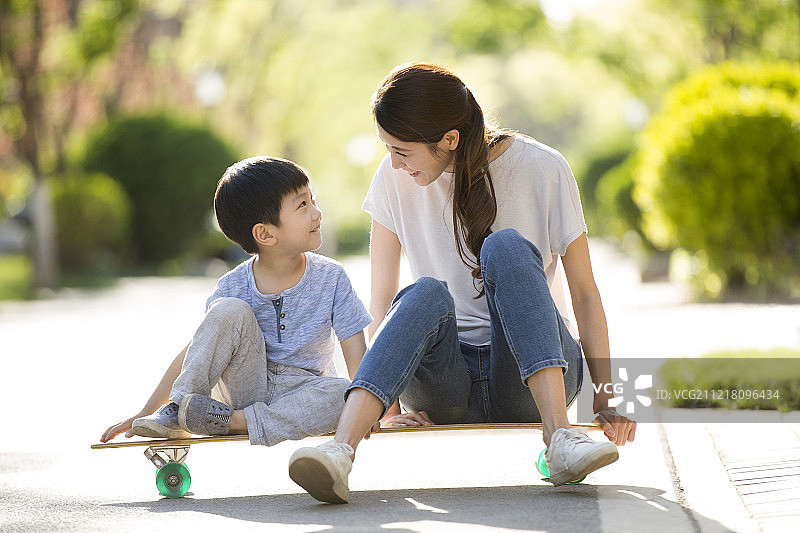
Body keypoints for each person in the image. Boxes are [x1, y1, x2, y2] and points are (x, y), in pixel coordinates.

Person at [287, 63, 637, 503]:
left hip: (530, 382)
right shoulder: (393, 179)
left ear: (449, 139)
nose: (394, 163)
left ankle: (560, 438)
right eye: (388, 148)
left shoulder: (544, 168)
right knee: (424, 292)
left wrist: (605, 401)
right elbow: (382, 301)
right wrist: (388, 407)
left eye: (403, 151)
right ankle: (340, 452)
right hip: (442, 385)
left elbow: (585, 295)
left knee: (506, 247)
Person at [100, 156, 373, 447]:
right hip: (245, 385)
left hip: (304, 392)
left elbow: (355, 349)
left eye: (313, 200)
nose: (317, 213)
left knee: (348, 395)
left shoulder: (331, 277)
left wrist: (371, 410)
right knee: (229, 309)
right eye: (303, 205)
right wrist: (147, 410)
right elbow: (197, 350)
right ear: (265, 233)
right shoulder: (232, 285)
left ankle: (235, 422)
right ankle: (179, 411)